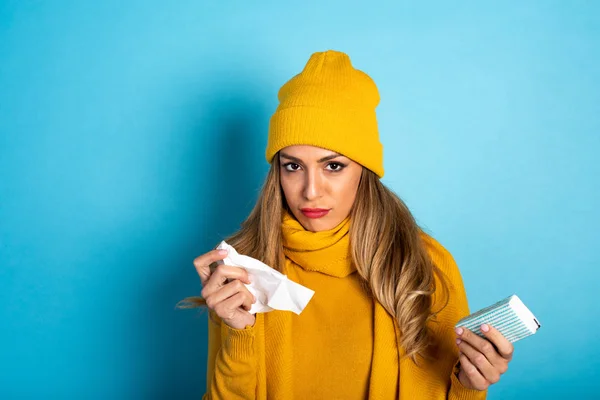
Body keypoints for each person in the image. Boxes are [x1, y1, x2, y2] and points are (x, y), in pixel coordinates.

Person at [178, 50, 514, 399]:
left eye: (333, 166)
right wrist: (239, 334)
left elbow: (451, 388)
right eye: (292, 166)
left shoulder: (424, 264)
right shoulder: (243, 269)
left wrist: (470, 385)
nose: (310, 191)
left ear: (364, 171)